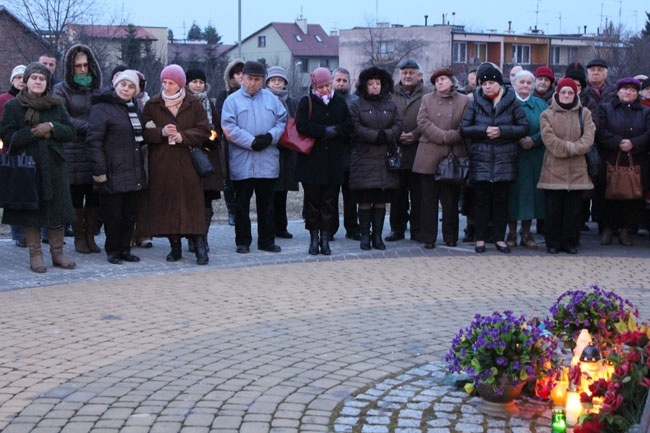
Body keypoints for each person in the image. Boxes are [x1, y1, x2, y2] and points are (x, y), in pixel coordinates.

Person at [0, 62, 77, 272]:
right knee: (30, 212)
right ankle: (36, 255)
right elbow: (7, 136)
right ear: (26, 81)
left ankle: (58, 254)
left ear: (47, 82)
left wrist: (52, 127)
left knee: (57, 211)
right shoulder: (13, 106)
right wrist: (33, 133)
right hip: (27, 168)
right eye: (34, 78)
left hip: (54, 165)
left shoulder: (56, 104)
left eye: (42, 79)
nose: (37, 82)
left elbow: (71, 131)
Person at [142, 64, 211, 264]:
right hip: (163, 163)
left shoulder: (193, 103)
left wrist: (183, 136)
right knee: (168, 205)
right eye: (164, 82)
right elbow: (144, 133)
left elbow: (204, 131)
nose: (167, 86)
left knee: (193, 205)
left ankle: (200, 247)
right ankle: (175, 247)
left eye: (171, 83)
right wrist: (160, 132)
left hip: (188, 163)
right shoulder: (153, 104)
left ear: (180, 84)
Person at [460, 62, 529, 254]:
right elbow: (464, 129)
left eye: (491, 82)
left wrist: (502, 131)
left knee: (501, 202)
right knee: (481, 202)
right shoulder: (474, 102)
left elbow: (523, 127)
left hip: (504, 161)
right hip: (481, 161)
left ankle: (499, 238)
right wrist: (483, 130)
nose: (487, 86)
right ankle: (480, 239)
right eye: (483, 83)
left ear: (499, 83)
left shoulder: (512, 102)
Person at [221, 61, 287, 254]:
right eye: (250, 79)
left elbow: (282, 121)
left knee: (267, 204)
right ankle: (243, 242)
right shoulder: (232, 101)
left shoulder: (272, 100)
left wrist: (270, 137)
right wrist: (250, 141)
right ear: (243, 78)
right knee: (242, 204)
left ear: (263, 80)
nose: (253, 83)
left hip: (267, 161)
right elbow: (228, 128)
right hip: (242, 161)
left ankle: (267, 241)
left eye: (257, 80)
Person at [87, 70, 147, 264]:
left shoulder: (135, 107)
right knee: (113, 215)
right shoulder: (102, 108)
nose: (126, 89)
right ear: (116, 85)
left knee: (130, 214)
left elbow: (139, 138)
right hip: (111, 171)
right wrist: (100, 171)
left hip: (134, 170)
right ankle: (112, 250)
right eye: (123, 84)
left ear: (135, 90)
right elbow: (94, 141)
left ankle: (124, 248)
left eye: (131, 86)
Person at [295, 67, 353, 255]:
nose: (325, 90)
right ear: (314, 86)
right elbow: (301, 125)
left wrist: (336, 130)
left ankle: (326, 237)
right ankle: (313, 237)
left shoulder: (340, 102)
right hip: (312, 161)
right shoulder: (307, 101)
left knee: (329, 201)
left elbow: (349, 125)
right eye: (321, 87)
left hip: (334, 162)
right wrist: (322, 131)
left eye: (328, 85)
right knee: (312, 201)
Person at [53, 44, 103, 255]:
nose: (82, 69)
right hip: (72, 149)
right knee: (76, 196)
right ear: (70, 67)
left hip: (95, 148)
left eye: (85, 65)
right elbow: (62, 118)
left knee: (95, 195)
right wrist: (92, 126)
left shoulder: (98, 88)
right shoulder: (61, 89)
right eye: (77, 66)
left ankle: (91, 236)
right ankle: (79, 238)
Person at [413, 68, 470, 248]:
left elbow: (465, 126)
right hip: (429, 154)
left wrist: (450, 137)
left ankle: (450, 236)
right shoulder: (427, 99)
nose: (439, 82)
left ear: (452, 81)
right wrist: (442, 136)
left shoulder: (464, 101)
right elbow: (422, 122)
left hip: (452, 156)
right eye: (437, 80)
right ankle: (428, 238)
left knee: (450, 201)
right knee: (428, 201)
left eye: (443, 79)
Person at [537, 77, 596, 254]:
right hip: (553, 169)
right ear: (557, 93)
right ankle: (553, 243)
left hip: (577, 170)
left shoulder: (584, 113)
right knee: (553, 209)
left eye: (570, 92)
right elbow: (548, 139)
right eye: (563, 92)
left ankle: (571, 242)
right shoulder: (547, 114)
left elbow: (589, 138)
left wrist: (574, 148)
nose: (567, 95)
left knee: (573, 210)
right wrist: (571, 148)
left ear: (575, 94)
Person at [348, 66, 402, 250]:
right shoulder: (356, 104)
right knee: (364, 200)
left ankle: (377, 236)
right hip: (363, 159)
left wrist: (386, 135)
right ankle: (365, 236)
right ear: (364, 85)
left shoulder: (390, 104)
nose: (374, 87)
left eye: (377, 83)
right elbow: (354, 126)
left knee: (380, 200)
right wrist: (374, 136)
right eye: (370, 83)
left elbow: (398, 124)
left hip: (384, 160)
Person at [596, 77, 650, 246]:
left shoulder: (645, 112)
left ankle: (626, 230)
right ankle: (607, 229)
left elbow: (649, 133)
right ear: (618, 91)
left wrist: (633, 143)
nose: (628, 92)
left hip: (635, 160)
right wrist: (618, 141)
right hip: (610, 159)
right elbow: (600, 131)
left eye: (633, 90)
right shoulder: (605, 108)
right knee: (607, 195)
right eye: (625, 89)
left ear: (637, 93)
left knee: (631, 198)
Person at [386, 58, 428, 243]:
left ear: (419, 75)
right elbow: (386, 119)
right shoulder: (390, 95)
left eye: (412, 72)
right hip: (397, 152)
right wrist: (397, 134)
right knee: (397, 195)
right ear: (400, 75)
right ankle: (397, 229)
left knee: (419, 195)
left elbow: (431, 118)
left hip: (420, 152)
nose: (408, 75)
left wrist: (417, 133)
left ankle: (417, 230)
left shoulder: (428, 94)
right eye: (404, 72)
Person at [506, 70, 548, 249]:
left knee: (531, 195)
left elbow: (548, 127)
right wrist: (517, 139)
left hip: (533, 156)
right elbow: (501, 124)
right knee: (512, 195)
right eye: (521, 82)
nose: (525, 86)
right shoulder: (505, 103)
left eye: (528, 83)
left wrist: (534, 139)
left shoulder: (541, 104)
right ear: (514, 84)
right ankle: (512, 233)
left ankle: (526, 232)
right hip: (511, 156)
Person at [184, 68, 225, 254]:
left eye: (201, 82)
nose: (198, 85)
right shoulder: (182, 103)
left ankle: (203, 237)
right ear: (187, 84)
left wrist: (212, 139)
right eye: (194, 81)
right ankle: (192, 238)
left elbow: (217, 127)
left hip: (209, 158)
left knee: (207, 202)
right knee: (190, 201)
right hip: (189, 158)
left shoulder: (209, 103)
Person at [265, 66, 299, 240]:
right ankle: (270, 227)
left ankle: (282, 226)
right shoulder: (264, 100)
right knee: (270, 191)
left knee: (283, 192)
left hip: (288, 150)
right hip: (270, 148)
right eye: (273, 80)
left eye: (280, 80)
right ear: (268, 82)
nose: (277, 83)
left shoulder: (292, 101)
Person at [215, 58, 245, 227]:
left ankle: (241, 210)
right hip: (228, 143)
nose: (240, 76)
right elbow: (220, 117)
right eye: (237, 73)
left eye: (243, 73)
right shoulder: (224, 95)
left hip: (247, 142)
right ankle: (231, 211)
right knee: (229, 180)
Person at [331, 67, 359, 241]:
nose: (341, 83)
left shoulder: (355, 101)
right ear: (332, 81)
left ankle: (352, 228)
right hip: (333, 157)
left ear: (349, 82)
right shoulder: (327, 100)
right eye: (338, 80)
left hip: (352, 156)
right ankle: (330, 228)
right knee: (331, 197)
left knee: (351, 197)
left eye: (344, 80)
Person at [1, 64, 27, 248]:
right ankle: (18, 234)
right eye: (18, 78)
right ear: (12, 80)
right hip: (9, 152)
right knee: (13, 196)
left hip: (31, 153)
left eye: (24, 78)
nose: (21, 81)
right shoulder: (4, 100)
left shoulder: (34, 100)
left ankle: (35, 234)